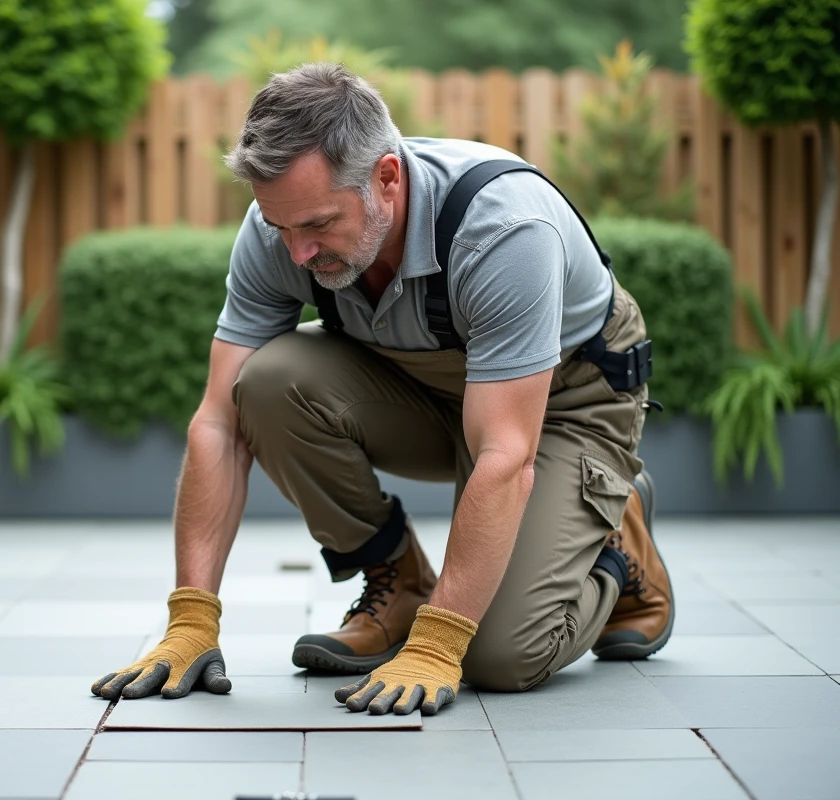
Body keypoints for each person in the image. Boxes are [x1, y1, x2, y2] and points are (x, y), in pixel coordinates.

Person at [90, 62, 674, 717]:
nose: (297, 252)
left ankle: (616, 541)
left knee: (499, 656)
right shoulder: (281, 228)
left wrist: (438, 642)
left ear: (387, 179)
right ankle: (399, 584)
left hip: (561, 405)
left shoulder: (503, 230)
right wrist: (191, 618)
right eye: (282, 228)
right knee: (266, 383)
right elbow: (218, 425)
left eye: (317, 224)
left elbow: (507, 455)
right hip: (429, 390)